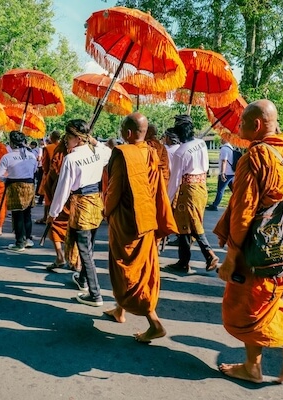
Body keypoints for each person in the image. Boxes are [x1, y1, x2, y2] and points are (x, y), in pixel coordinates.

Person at [213, 99, 283, 383]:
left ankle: (252, 367)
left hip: (257, 250)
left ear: (256, 124)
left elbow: (243, 213)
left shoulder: (255, 157)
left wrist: (231, 257)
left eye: (241, 122)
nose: (237, 126)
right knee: (270, 302)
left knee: (248, 308)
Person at [104, 112, 177, 342]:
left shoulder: (121, 153)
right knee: (139, 270)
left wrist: (106, 211)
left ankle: (154, 323)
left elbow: (114, 190)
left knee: (128, 273)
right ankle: (119, 310)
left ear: (127, 133)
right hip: (147, 220)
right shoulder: (152, 152)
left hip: (126, 222)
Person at [47, 119, 112, 307]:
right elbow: (109, 152)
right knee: (88, 247)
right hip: (95, 204)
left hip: (82, 205)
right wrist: (95, 143)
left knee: (85, 251)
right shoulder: (97, 152)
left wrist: (54, 212)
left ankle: (95, 294)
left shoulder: (71, 158)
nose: (66, 140)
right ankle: (83, 280)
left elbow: (63, 189)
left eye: (68, 136)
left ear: (78, 138)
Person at [166, 115, 219, 273]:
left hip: (188, 190)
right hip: (202, 186)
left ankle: (209, 254)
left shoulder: (180, 152)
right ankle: (183, 261)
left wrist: (168, 199)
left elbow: (175, 179)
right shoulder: (201, 143)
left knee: (193, 223)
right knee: (185, 225)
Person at [42, 139, 80, 271]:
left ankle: (60, 256)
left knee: (54, 223)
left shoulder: (63, 155)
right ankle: (77, 262)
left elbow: (50, 170)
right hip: (80, 197)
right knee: (77, 229)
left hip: (63, 193)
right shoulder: (85, 153)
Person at [0, 131, 38, 252]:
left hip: (15, 186)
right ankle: (28, 239)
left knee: (17, 214)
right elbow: (34, 169)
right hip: (29, 185)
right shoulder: (31, 155)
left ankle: (20, 242)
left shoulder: (7, 157)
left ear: (11, 142)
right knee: (27, 214)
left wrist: (8, 178)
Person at [36, 130, 61, 225]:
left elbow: (45, 164)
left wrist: (46, 173)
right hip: (61, 176)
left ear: (51, 138)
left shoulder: (48, 148)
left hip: (49, 175)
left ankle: (45, 217)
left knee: (48, 198)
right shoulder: (64, 147)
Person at [207, 136, 236, 211]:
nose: (220, 139)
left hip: (225, 173)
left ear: (226, 139)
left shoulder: (224, 149)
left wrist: (222, 173)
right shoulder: (230, 148)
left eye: (222, 138)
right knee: (234, 190)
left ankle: (215, 205)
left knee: (220, 190)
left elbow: (224, 161)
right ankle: (239, 203)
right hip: (232, 173)